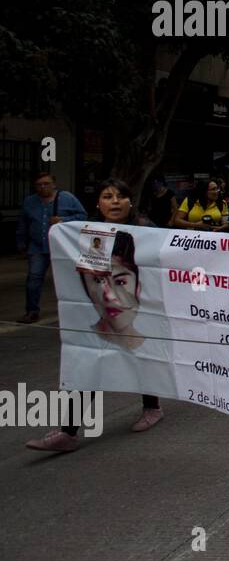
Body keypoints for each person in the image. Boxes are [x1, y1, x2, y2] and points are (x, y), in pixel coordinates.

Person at [26, 178, 164, 453]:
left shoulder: (146, 230)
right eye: (107, 196)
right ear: (98, 203)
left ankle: (152, 407)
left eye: (120, 196)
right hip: (103, 307)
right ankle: (69, 431)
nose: (114, 201)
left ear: (130, 201)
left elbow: (169, 258)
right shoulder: (88, 233)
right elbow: (82, 270)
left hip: (141, 305)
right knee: (92, 360)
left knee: (141, 355)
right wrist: (60, 233)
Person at [16, 171, 87, 323]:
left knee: (69, 279)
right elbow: (23, 223)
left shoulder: (67, 198)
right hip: (37, 247)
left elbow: (83, 216)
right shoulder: (30, 201)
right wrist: (21, 242)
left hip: (62, 247)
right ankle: (32, 311)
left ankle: (76, 312)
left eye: (46, 183)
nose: (43, 187)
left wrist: (63, 219)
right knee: (34, 279)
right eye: (39, 185)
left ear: (53, 184)